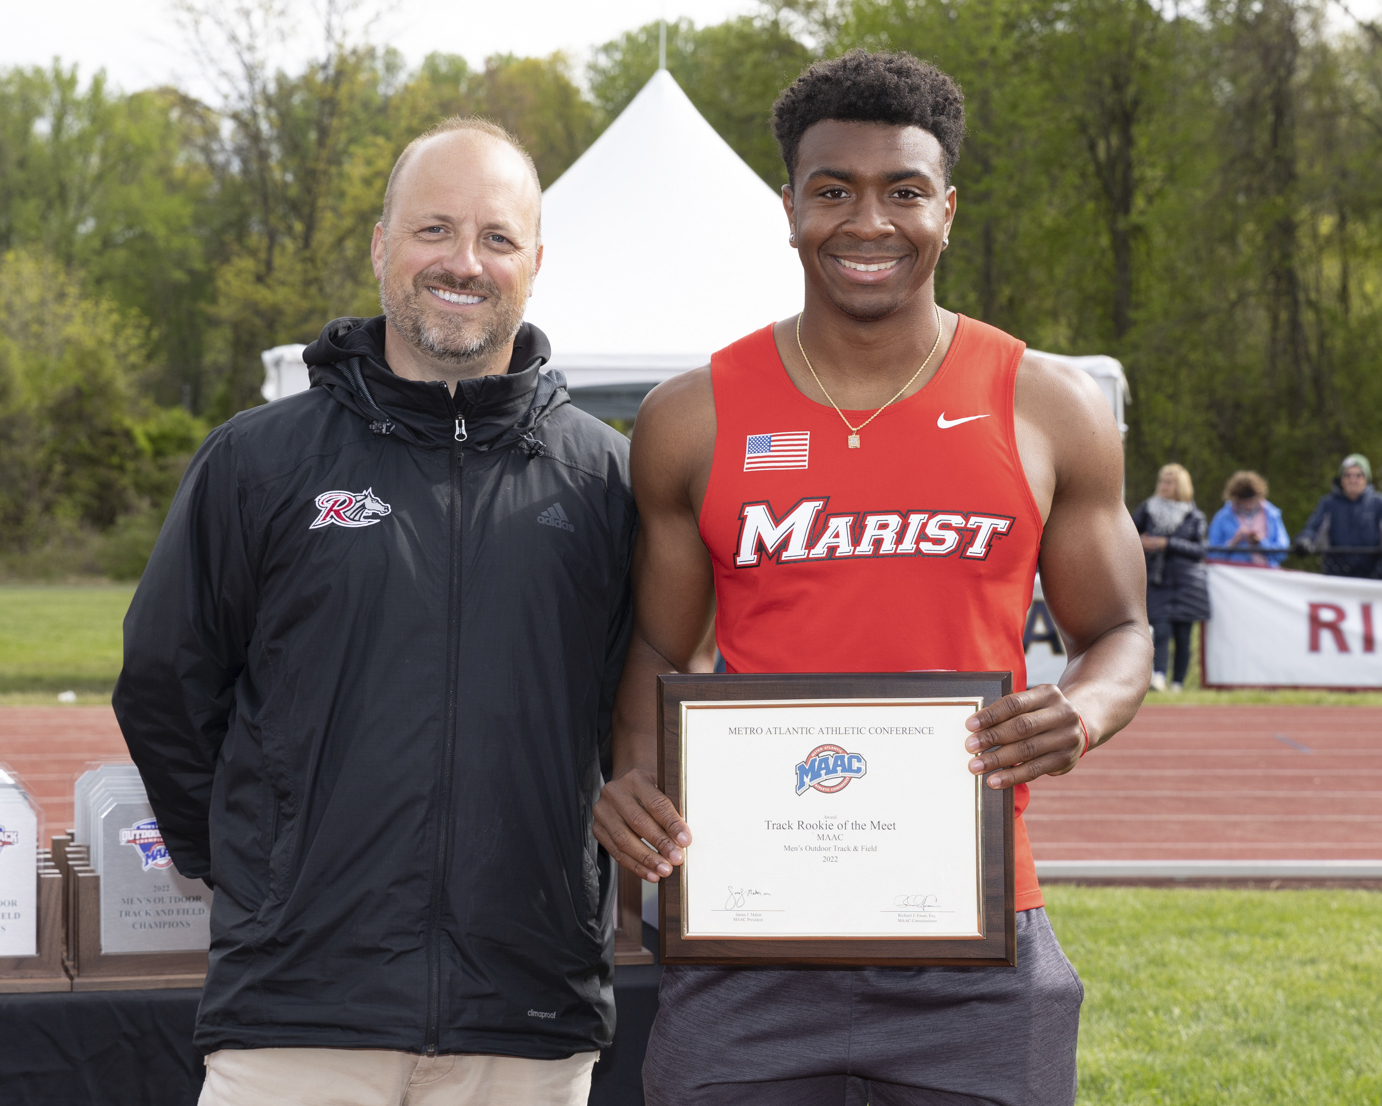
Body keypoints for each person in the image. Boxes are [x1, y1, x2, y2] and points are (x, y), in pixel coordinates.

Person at [593, 50, 1151, 1106]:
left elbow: (1120, 630)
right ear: (789, 206)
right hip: (748, 937)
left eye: (901, 190)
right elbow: (660, 652)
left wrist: (1077, 711)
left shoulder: (1047, 403)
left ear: (946, 207)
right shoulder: (691, 414)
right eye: (832, 190)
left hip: (978, 935)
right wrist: (634, 798)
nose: (867, 221)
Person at [113, 118, 636, 1105]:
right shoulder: (258, 461)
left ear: (534, 261)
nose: (462, 262)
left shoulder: (606, 479)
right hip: (294, 1016)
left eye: (495, 237)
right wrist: (259, 870)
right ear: (379, 244)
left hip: (523, 1021)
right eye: (433, 228)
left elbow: (644, 712)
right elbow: (165, 684)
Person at [1132, 464, 1210, 693]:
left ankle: (1178, 683)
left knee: (1183, 636)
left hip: (1188, 583)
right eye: (1162, 481)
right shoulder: (1147, 509)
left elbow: (1199, 550)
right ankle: (1159, 676)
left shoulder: (1194, 516)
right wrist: (1141, 541)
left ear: (1181, 485)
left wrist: (1168, 543)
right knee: (1161, 629)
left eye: (1170, 482)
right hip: (1157, 580)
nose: (1164, 486)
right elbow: (1126, 532)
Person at [1295, 454, 1382, 577]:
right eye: (1348, 475)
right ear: (1341, 479)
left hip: (1373, 577)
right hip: (1337, 575)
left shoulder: (1378, 503)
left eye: (1358, 475)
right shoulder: (1328, 504)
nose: (1353, 480)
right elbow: (1313, 529)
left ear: (1366, 479)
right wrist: (1304, 541)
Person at [1207, 470, 1288, 567]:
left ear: (1258, 496)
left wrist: (1260, 542)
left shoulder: (1272, 515)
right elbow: (1211, 555)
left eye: (1252, 501)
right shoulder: (1222, 517)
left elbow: (1283, 552)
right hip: (1234, 574)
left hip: (1267, 574)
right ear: (1235, 498)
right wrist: (1233, 543)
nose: (1248, 506)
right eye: (1244, 501)